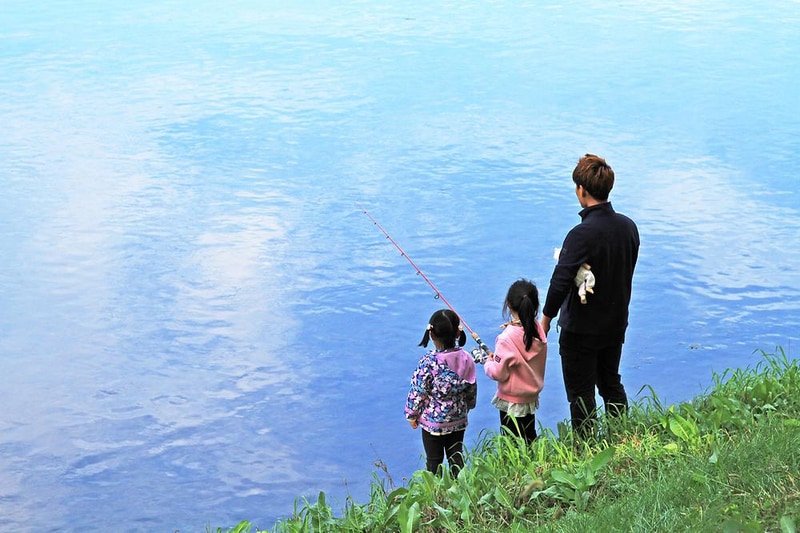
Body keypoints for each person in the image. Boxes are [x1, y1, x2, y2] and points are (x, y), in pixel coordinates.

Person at [542, 153, 640, 439]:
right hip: (615, 324)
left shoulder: (580, 235)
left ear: (581, 191)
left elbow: (560, 281)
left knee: (581, 394)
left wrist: (545, 319)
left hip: (581, 330)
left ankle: (586, 450)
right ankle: (622, 437)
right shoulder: (628, 227)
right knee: (610, 382)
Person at [405, 309, 477, 476]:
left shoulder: (428, 363)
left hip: (433, 424)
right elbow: (471, 387)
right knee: (456, 458)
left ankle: (435, 494)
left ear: (431, 335)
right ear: (457, 334)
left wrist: (412, 415)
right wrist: (469, 406)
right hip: (458, 419)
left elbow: (418, 391)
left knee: (434, 461)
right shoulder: (466, 358)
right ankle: (459, 490)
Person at [481, 279, 547, 444]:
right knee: (529, 435)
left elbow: (498, 373)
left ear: (508, 304)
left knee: (511, 441)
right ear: (534, 305)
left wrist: (486, 362)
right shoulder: (537, 328)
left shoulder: (506, 339)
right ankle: (534, 465)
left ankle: (516, 469)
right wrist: (512, 327)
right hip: (530, 396)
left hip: (512, 400)